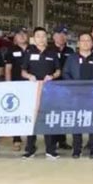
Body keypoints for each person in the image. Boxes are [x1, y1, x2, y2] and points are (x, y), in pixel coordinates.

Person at [21, 27, 62, 159]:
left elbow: (58, 71)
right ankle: (30, 149)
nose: (41, 38)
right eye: (38, 36)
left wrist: (52, 76)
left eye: (43, 36)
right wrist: (29, 76)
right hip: (32, 91)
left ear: (47, 37)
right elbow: (23, 71)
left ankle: (50, 149)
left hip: (48, 90)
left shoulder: (52, 53)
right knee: (32, 119)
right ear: (34, 38)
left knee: (47, 119)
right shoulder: (29, 52)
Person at [63, 33, 93, 158]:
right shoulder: (72, 58)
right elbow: (66, 73)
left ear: (92, 43)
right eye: (83, 40)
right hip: (76, 95)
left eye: (88, 40)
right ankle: (77, 149)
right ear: (78, 43)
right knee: (77, 122)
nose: (86, 43)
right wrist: (75, 85)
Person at [5, 28, 29, 151]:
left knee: (30, 111)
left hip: (31, 85)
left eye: (24, 34)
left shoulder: (33, 49)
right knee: (17, 111)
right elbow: (8, 69)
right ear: (15, 37)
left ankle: (30, 138)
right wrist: (8, 85)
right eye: (19, 34)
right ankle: (16, 138)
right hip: (16, 85)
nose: (22, 36)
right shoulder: (11, 51)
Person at [52, 25, 75, 150]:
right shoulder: (49, 50)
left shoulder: (70, 51)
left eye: (64, 34)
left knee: (62, 113)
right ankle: (52, 141)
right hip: (51, 87)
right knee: (52, 113)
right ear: (54, 36)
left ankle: (62, 140)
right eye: (59, 34)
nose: (62, 37)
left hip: (66, 87)